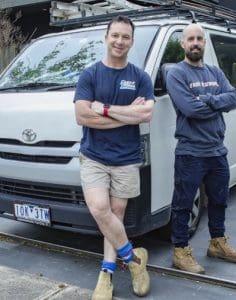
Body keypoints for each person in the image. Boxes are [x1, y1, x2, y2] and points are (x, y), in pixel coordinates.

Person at [74, 15, 154, 300]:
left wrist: (105, 110)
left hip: (126, 158)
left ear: (132, 41)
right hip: (94, 156)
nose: (120, 41)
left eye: (126, 37)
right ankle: (134, 261)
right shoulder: (90, 75)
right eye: (115, 35)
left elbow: (145, 115)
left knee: (116, 217)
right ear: (106, 37)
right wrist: (125, 114)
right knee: (99, 209)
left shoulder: (140, 77)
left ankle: (106, 273)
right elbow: (83, 116)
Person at [166, 23, 236, 274]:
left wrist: (208, 100)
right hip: (190, 151)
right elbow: (190, 109)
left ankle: (217, 243)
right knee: (183, 203)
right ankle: (180, 251)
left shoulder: (215, 71)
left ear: (205, 42)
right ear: (183, 43)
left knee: (220, 199)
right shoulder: (176, 73)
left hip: (217, 150)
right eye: (191, 39)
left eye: (199, 38)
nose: (195, 43)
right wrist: (216, 103)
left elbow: (232, 98)